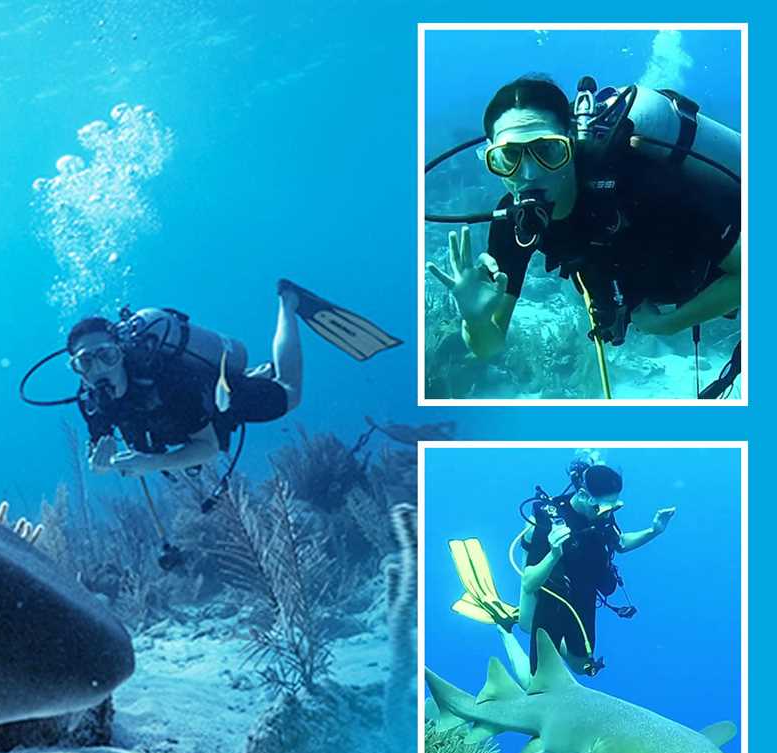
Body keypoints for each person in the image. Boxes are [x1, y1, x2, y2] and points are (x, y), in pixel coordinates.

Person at [425, 75, 741, 392]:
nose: (529, 173)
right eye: (508, 157)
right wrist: (476, 320)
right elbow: (489, 346)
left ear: (571, 144)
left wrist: (669, 324)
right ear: (491, 159)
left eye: (548, 150)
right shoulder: (513, 224)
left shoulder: (643, 184)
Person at [65, 280, 400, 480]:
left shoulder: (169, 382)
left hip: (214, 397)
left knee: (290, 393)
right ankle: (251, 374)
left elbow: (208, 448)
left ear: (121, 353)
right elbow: (100, 460)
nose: (99, 371)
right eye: (86, 362)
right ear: (77, 369)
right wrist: (100, 466)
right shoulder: (92, 403)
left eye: (106, 356)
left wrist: (153, 464)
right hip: (186, 419)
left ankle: (289, 300)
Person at [451, 451, 676, 681]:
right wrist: (554, 554)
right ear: (583, 494)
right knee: (537, 683)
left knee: (582, 667)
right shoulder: (549, 521)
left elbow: (619, 543)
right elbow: (529, 581)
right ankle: (504, 627)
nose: (608, 514)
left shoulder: (601, 514)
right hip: (550, 593)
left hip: (582, 591)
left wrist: (653, 531)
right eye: (605, 508)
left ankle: (551, 644)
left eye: (614, 507)